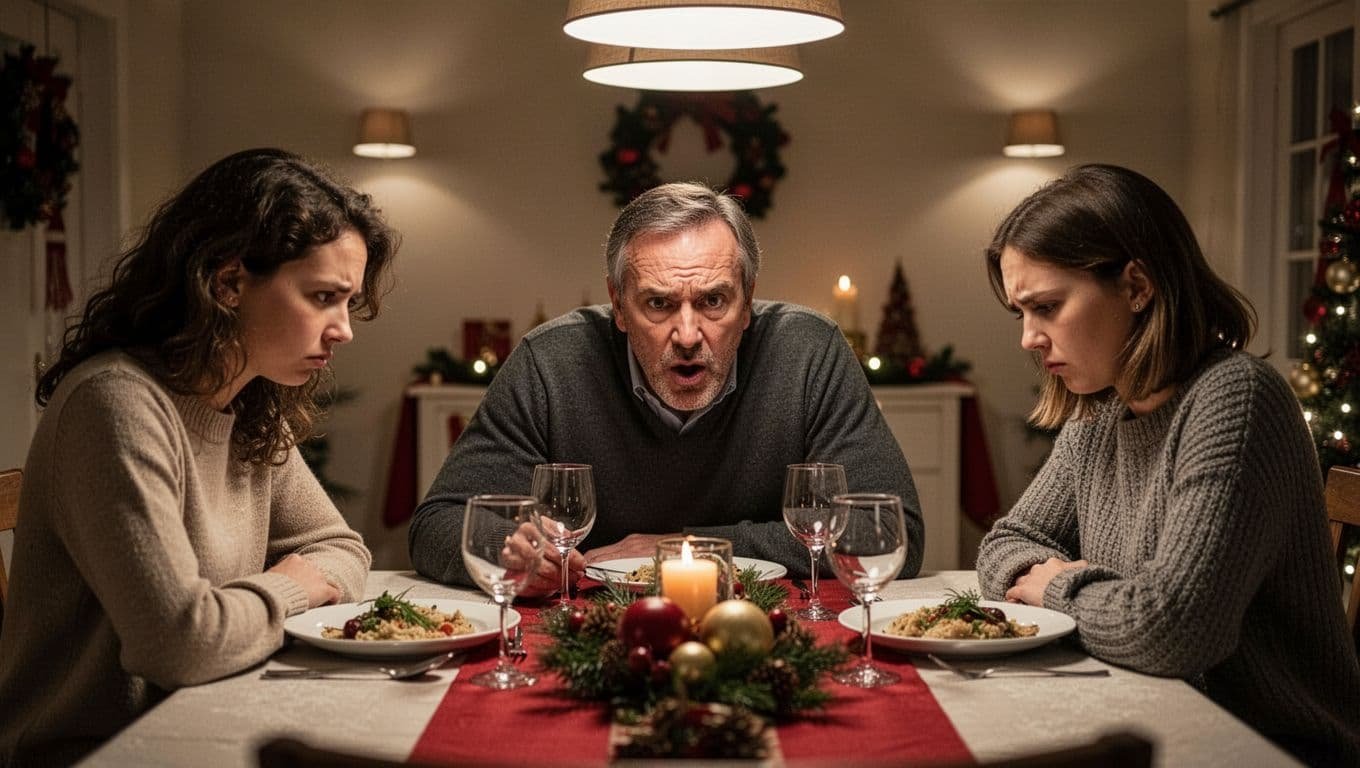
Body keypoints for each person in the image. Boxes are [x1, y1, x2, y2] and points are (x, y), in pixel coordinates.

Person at [0, 148, 398, 767]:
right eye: (323, 296)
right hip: (97, 751)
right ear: (229, 282)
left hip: (209, 714)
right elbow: (178, 645)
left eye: (348, 303)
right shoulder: (116, 405)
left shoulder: (247, 403)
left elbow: (342, 549)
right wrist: (287, 589)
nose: (344, 328)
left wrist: (237, 611)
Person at [976, 163, 1360, 766]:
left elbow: (1174, 629)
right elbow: (1006, 542)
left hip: (1268, 747)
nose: (1029, 337)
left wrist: (1057, 585)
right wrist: (1086, 590)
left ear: (1136, 285)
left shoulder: (1236, 399)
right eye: (1021, 313)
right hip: (1149, 714)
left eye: (1047, 306)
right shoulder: (1100, 414)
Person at [409, 182, 922, 595]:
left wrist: (682, 547)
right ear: (618, 304)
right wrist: (505, 547)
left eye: (714, 301)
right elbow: (436, 523)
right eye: (657, 304)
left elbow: (892, 534)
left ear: (748, 301)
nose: (688, 336)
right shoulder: (550, 362)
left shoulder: (810, 353)